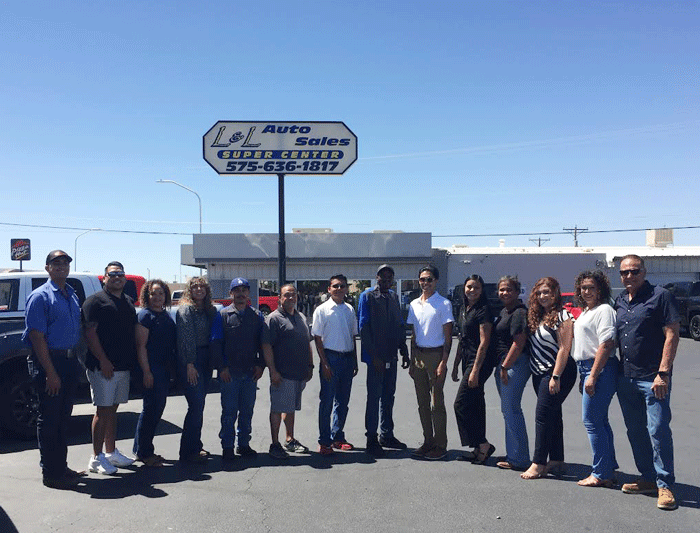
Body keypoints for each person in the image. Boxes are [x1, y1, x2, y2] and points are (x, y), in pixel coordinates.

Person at [614, 255, 680, 510]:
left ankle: (665, 485)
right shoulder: (620, 301)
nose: (629, 276)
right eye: (624, 273)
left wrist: (663, 372)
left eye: (634, 271)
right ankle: (648, 478)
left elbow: (672, 334)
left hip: (653, 378)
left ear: (644, 271)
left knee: (659, 431)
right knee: (636, 431)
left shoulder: (660, 296)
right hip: (626, 377)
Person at [23, 250, 85, 489]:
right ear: (48, 268)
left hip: (69, 362)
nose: (61, 267)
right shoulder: (40, 297)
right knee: (49, 419)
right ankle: (51, 473)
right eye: (55, 263)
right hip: (50, 362)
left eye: (65, 263)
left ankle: (61, 467)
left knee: (62, 418)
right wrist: (50, 372)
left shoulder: (71, 294)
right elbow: (37, 337)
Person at [83, 261, 138, 475]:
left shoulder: (127, 301)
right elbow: (90, 334)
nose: (117, 277)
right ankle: (96, 457)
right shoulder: (94, 302)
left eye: (120, 274)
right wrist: (103, 360)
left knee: (113, 409)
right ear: (104, 278)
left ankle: (111, 452)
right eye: (112, 274)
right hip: (102, 366)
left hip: (122, 366)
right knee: (103, 410)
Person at [521, 277, 576, 479]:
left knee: (543, 416)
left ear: (555, 294)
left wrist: (555, 376)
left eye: (547, 292)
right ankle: (557, 459)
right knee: (554, 414)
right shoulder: (538, 316)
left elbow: (565, 348)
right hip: (539, 372)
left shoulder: (563, 316)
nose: (543, 296)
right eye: (540, 293)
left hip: (557, 372)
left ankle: (538, 463)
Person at [210, 277, 271, 461]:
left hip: (250, 373)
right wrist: (222, 368)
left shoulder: (257, 316)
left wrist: (261, 366)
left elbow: (263, 344)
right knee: (229, 412)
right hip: (230, 373)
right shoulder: (222, 315)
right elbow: (216, 343)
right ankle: (227, 446)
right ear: (231, 294)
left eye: (244, 290)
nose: (241, 294)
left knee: (247, 411)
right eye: (237, 290)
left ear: (248, 294)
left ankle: (243, 444)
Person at [571, 270, 618, 488]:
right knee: (600, 420)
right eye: (583, 288)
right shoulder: (587, 311)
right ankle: (607, 467)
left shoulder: (604, 310)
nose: (587, 291)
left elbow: (606, 343)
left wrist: (592, 375)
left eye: (591, 287)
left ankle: (600, 472)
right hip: (586, 368)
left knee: (591, 421)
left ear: (600, 289)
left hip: (599, 368)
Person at [357, 264, 410, 457]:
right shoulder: (368, 296)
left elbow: (399, 325)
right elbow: (363, 327)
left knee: (389, 396)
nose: (387, 281)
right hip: (376, 359)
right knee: (374, 397)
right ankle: (372, 437)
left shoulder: (394, 297)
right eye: (383, 277)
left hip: (391, 356)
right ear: (377, 277)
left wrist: (404, 350)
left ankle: (387, 434)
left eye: (390, 278)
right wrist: (373, 357)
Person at [407, 265, 454, 460]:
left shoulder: (443, 304)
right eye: (422, 280)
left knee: (437, 404)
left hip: (436, 356)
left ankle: (440, 444)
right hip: (418, 356)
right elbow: (414, 334)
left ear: (436, 281)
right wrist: (411, 361)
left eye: (429, 279)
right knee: (422, 403)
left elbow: (448, 337)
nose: (425, 283)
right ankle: (428, 441)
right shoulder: (414, 304)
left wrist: (443, 362)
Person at [451, 275, 496, 464]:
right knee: (476, 404)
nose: (472, 291)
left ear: (481, 290)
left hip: (480, 362)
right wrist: (454, 366)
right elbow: (462, 340)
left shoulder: (483, 310)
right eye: (469, 287)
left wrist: (475, 370)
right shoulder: (463, 309)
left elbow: (484, 342)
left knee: (460, 404)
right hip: (467, 359)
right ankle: (479, 448)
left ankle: (483, 443)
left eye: (476, 288)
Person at [311, 274, 359, 454]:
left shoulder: (349, 310)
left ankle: (338, 436)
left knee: (343, 401)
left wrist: (354, 360)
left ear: (346, 289)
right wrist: (324, 364)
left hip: (347, 359)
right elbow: (317, 338)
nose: (339, 289)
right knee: (327, 401)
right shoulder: (322, 310)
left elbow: (353, 336)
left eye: (342, 286)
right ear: (329, 289)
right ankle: (324, 441)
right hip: (330, 358)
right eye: (335, 286)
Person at [266, 284, 313, 459]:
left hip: (299, 373)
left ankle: (289, 439)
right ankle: (274, 444)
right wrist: (273, 371)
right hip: (282, 374)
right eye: (287, 295)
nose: (290, 298)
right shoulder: (274, 318)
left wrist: (310, 366)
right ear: (280, 298)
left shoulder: (300, 317)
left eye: (293, 295)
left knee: (290, 408)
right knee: (278, 408)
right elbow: (267, 346)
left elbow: (307, 343)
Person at [133, 279, 176, 467]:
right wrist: (146, 372)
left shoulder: (165, 316)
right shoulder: (145, 316)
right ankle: (144, 452)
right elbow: (140, 346)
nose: (157, 297)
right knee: (150, 410)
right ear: (147, 296)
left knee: (157, 408)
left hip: (165, 369)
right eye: (153, 293)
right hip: (152, 369)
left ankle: (141, 449)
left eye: (161, 293)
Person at [176, 277, 218, 463]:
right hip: (192, 360)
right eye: (195, 287)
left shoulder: (209, 310)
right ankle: (187, 451)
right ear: (189, 290)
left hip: (206, 359)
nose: (199, 289)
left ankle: (196, 445)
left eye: (202, 286)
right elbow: (186, 339)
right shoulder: (186, 309)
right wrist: (190, 364)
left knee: (199, 405)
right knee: (195, 405)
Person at [493, 275, 530, 471]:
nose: (504, 293)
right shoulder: (505, 311)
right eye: (501, 289)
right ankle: (513, 453)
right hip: (506, 364)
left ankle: (520, 458)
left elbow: (519, 342)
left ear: (517, 292)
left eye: (508, 289)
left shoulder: (519, 313)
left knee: (511, 410)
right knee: (508, 410)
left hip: (514, 364)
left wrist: (505, 367)